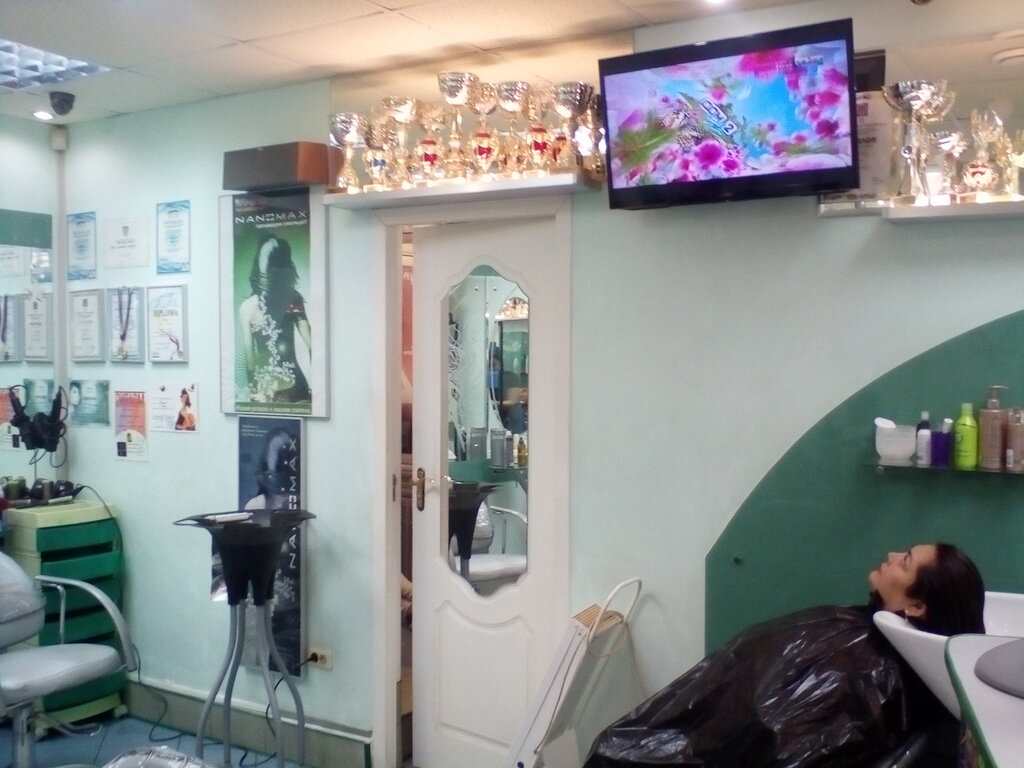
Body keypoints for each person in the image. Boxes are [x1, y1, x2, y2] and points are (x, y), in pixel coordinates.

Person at [584, 542, 985, 768]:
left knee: (614, 750)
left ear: (916, 606)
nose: (894, 555)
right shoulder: (868, 644)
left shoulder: (869, 670)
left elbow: (787, 743)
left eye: (906, 562)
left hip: (712, 750)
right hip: (708, 735)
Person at [238, 234, 312, 404]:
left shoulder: (291, 299)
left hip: (287, 390)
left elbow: (314, 346)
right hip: (274, 391)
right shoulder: (250, 307)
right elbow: (250, 363)